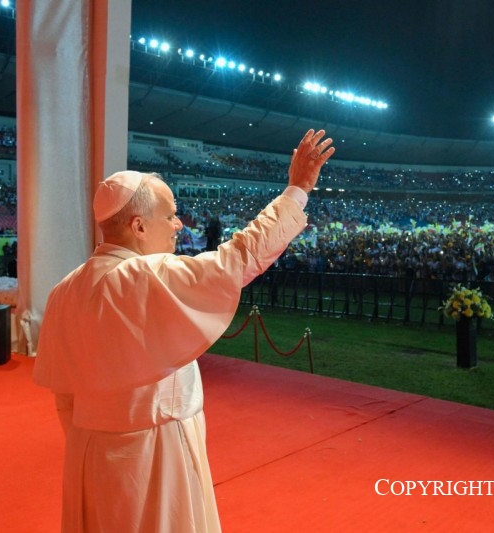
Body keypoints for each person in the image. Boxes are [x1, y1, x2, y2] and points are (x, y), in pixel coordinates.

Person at [32, 129, 335, 533]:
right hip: (153, 452)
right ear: (138, 226)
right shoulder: (146, 275)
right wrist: (297, 190)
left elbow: (64, 395)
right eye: (170, 214)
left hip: (88, 451)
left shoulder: (63, 290)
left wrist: (94, 435)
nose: (178, 224)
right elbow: (239, 258)